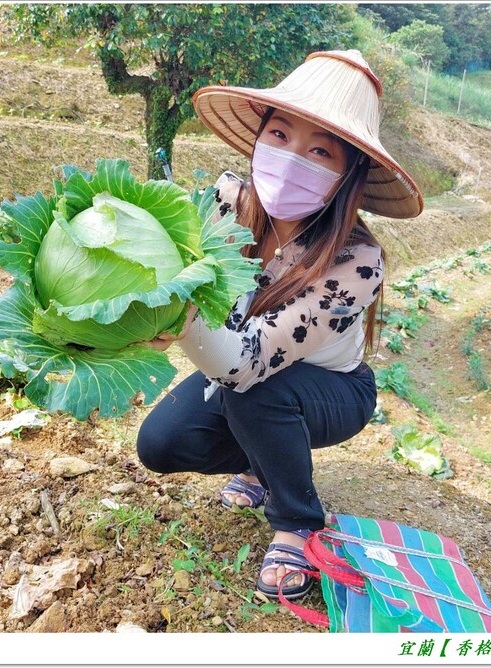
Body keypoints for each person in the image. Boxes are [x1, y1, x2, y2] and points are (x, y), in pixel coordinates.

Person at [136, 50, 423, 600]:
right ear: (258, 137)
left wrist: (182, 318)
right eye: (280, 135)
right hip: (242, 365)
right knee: (161, 445)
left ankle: (296, 520)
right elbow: (178, 267)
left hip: (330, 389)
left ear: (348, 174)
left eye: (320, 150)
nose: (292, 159)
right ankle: (265, 460)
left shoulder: (356, 259)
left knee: (254, 395)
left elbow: (246, 364)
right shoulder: (226, 200)